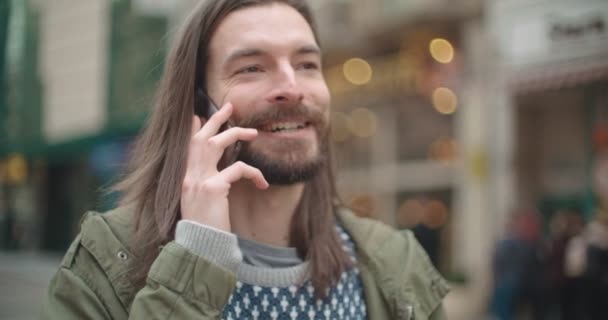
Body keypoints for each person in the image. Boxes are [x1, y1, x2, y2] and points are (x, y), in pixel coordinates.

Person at [43, 1, 449, 319]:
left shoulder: (397, 264)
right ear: (199, 106)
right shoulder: (103, 263)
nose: (292, 87)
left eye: (307, 64)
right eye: (252, 67)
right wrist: (197, 260)